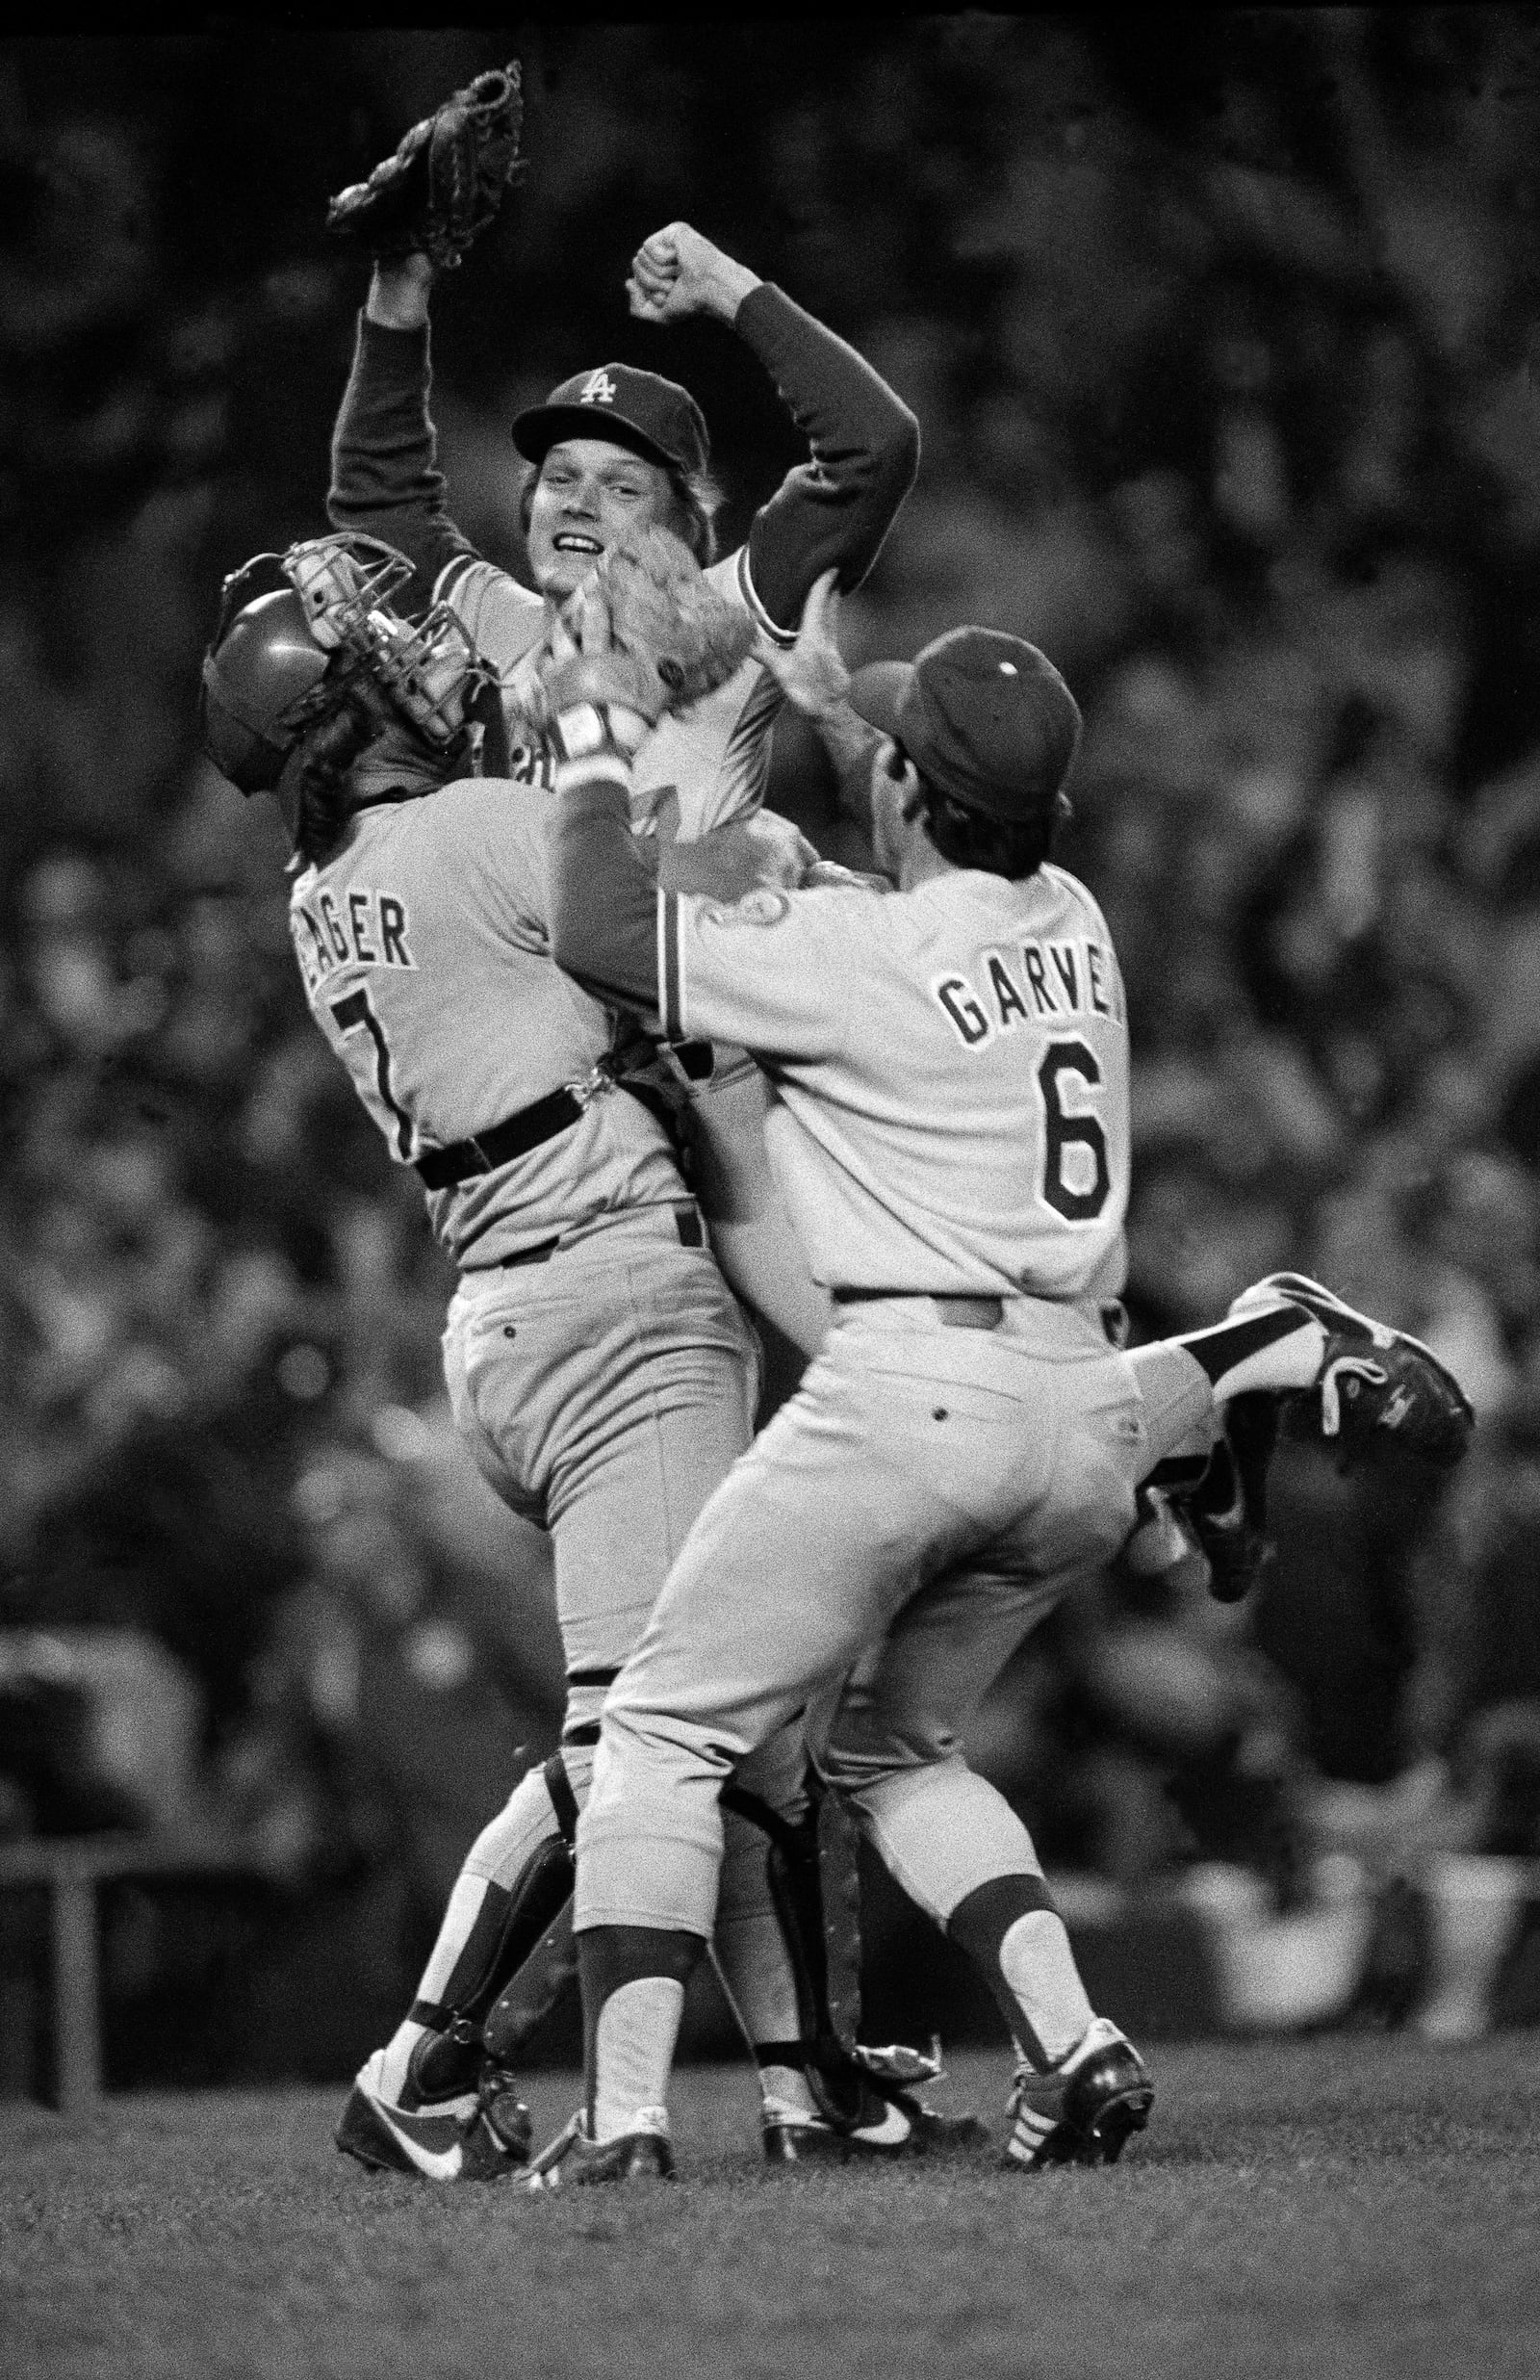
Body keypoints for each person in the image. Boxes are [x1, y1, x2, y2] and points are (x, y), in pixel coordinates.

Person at [531, 587, 1475, 2182]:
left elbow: (599, 932)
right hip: (1078, 1418)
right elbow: (937, 811)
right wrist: (835, 707)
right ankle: (1074, 2041)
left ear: (912, 787)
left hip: (912, 1393)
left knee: (658, 1731)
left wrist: (590, 732)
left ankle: (623, 2121)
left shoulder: (856, 953)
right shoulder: (1075, 918)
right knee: (892, 1746)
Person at [197, 531, 982, 2184]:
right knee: (641, 1740)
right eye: (380, 664)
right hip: (620, 1303)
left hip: (516, 1313)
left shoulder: (329, 885)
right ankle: (425, 2064)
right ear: (339, 726)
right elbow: (679, 910)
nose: (420, 665)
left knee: (749, 1716)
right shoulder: (485, 829)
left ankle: (812, 2082)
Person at [328, 216, 920, 1354]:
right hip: (609, 1136)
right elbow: (379, 511)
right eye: (558, 480)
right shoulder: (496, 625)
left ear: (687, 520)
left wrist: (726, 283)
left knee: (907, 1384)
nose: (578, 504)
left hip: (756, 1102)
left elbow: (871, 449)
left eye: (620, 485)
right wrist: (399, 291)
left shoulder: (725, 614)